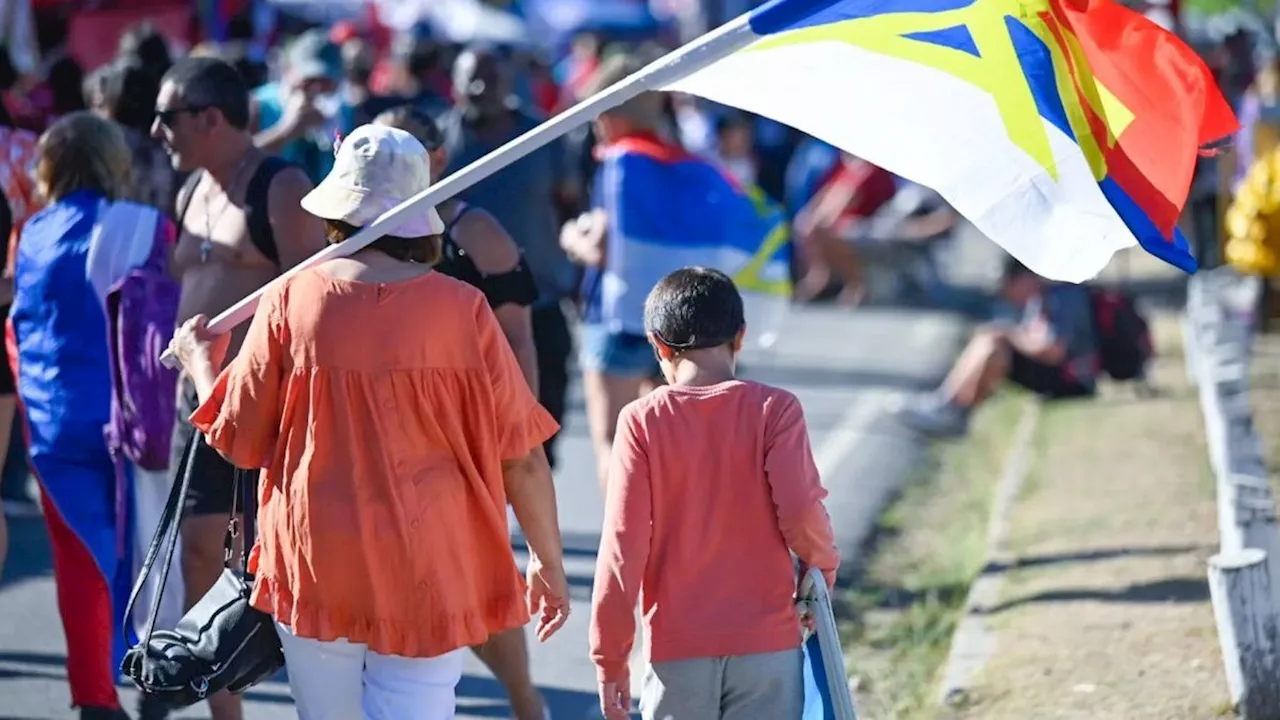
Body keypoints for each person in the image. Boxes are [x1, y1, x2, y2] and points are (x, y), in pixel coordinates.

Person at [166, 122, 571, 720]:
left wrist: (202, 365)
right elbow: (522, 456)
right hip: (429, 557)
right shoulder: (463, 309)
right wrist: (548, 561)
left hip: (314, 554)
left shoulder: (292, 300)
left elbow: (237, 437)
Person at [152, 56, 326, 720]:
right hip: (196, 404)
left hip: (261, 408)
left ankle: (325, 695)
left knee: (272, 569)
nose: (156, 130)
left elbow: (316, 297)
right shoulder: (190, 189)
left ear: (209, 118)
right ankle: (226, 712)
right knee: (200, 554)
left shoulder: (280, 188)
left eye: (168, 117)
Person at [589, 267, 840, 720]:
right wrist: (821, 566)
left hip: (677, 651)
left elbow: (622, 547)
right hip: (767, 645)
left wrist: (610, 657)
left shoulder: (642, 421)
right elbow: (801, 509)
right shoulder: (775, 409)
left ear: (658, 345)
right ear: (740, 336)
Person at [374, 107, 547, 720]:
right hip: (379, 435)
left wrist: (513, 435)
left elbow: (518, 339)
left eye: (408, 155)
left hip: (464, 434)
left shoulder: (478, 235)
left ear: (438, 162)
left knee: (471, 579)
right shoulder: (358, 230)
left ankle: (525, 699)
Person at [9, 111, 169, 720]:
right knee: (153, 547)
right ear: (114, 162)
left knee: (79, 561)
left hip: (51, 419)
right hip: (129, 418)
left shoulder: (30, 234)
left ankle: (95, 699)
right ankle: (158, 676)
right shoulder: (147, 227)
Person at [440, 46, 578, 468]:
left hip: (540, 301)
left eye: (491, 79)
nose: (481, 89)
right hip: (463, 312)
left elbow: (570, 202)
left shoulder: (542, 138)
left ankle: (531, 510)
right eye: (471, 80)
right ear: (455, 85)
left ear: (510, 84)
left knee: (540, 424)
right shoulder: (441, 143)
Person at [558, 53, 674, 488]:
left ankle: (625, 541)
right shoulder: (674, 161)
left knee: (613, 442)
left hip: (615, 319)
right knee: (659, 443)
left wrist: (572, 237)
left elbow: (603, 249)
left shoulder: (620, 162)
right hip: (668, 317)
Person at [895, 258, 1099, 438]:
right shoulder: (1040, 298)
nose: (1006, 294)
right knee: (991, 338)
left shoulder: (1063, 296)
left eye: (1008, 286)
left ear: (1024, 280)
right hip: (1053, 371)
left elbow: (1054, 351)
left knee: (995, 342)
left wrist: (1011, 336)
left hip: (1071, 379)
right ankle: (950, 405)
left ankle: (951, 409)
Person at [252, 29, 352, 184]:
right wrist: (286, 131)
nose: (317, 89)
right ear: (290, 71)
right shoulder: (260, 105)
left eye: (326, 81)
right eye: (310, 79)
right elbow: (236, 161)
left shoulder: (345, 112)